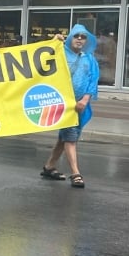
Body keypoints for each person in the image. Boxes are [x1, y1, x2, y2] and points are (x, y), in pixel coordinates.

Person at [41, 24, 99, 189]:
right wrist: (52, 42)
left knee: (65, 137)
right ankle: (76, 173)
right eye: (76, 36)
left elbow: (93, 80)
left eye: (83, 36)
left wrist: (85, 100)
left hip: (81, 105)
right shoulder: (60, 53)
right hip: (65, 104)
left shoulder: (89, 58)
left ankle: (49, 166)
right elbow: (44, 60)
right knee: (71, 137)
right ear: (70, 37)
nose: (80, 39)